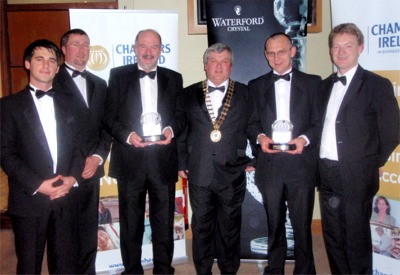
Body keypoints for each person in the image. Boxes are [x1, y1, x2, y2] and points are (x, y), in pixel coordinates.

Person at [319, 23, 399, 274]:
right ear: (331, 50)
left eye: (348, 46)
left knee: (355, 236)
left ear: (360, 48)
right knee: (332, 235)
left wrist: (370, 160)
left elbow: (392, 130)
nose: (341, 52)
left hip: (357, 174)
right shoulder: (324, 85)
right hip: (327, 171)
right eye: (336, 46)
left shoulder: (377, 84)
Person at [103, 29, 184, 274]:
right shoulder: (117, 76)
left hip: (163, 160)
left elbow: (181, 116)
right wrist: (128, 136)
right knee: (130, 222)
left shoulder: (174, 77)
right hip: (130, 159)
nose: (149, 52)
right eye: (144, 46)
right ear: (135, 48)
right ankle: (132, 270)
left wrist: (170, 130)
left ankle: (163, 268)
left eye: (154, 47)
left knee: (163, 222)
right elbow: (109, 117)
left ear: (161, 49)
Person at [0, 39, 84, 274]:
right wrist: (38, 185)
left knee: (66, 265)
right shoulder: (8, 106)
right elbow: (6, 154)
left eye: (52, 60)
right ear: (27, 64)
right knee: (28, 265)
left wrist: (73, 179)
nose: (46, 65)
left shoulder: (71, 105)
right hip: (29, 199)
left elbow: (79, 147)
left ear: (58, 68)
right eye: (39, 59)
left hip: (65, 197)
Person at [178, 43, 255, 274]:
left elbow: (254, 127)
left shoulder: (246, 93)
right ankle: (203, 270)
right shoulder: (187, 93)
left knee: (230, 225)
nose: (218, 66)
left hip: (232, 171)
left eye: (224, 61)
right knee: (201, 226)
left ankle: (229, 269)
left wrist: (254, 159)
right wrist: (181, 163)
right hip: (199, 170)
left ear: (231, 66)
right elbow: (182, 131)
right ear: (205, 65)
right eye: (213, 61)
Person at [247, 32, 322, 274]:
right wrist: (260, 138)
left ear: (293, 51)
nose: (276, 57)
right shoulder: (256, 86)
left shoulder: (313, 83)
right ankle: (275, 268)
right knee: (274, 223)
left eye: (281, 51)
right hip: (270, 166)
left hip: (300, 165)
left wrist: (303, 139)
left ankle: (305, 270)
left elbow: (320, 122)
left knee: (302, 225)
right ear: (265, 56)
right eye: (271, 52)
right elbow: (251, 123)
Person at [53, 28, 112, 274]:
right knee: (62, 236)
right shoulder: (52, 81)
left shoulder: (100, 84)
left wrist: (97, 157)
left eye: (86, 45)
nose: (82, 49)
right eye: (76, 44)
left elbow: (106, 127)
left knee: (88, 230)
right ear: (64, 50)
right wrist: (80, 164)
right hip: (62, 172)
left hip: (92, 170)